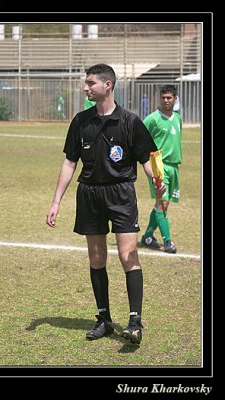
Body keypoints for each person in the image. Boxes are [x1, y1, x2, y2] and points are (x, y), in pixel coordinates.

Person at [46, 64, 165, 344]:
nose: (85, 88)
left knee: (128, 255)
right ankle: (104, 319)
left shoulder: (130, 121)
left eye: (90, 83)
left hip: (121, 192)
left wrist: (157, 182)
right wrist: (56, 201)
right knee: (97, 258)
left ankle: (135, 322)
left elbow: (147, 157)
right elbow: (69, 162)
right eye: (85, 83)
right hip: (89, 193)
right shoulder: (80, 120)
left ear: (108, 85)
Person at [141, 85, 182, 254]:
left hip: (174, 166)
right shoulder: (152, 119)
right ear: (160, 98)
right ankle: (168, 242)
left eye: (169, 97)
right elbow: (139, 136)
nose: (166, 100)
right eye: (163, 97)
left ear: (175, 99)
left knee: (163, 204)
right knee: (162, 203)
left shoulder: (178, 118)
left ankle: (148, 236)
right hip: (158, 165)